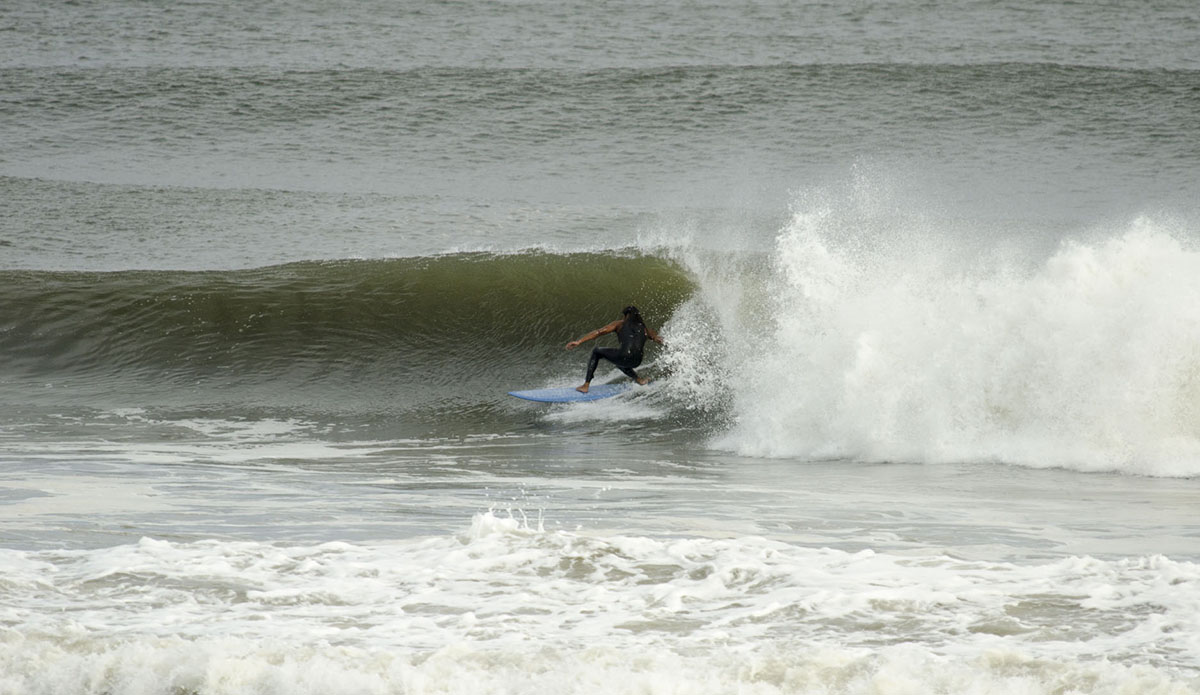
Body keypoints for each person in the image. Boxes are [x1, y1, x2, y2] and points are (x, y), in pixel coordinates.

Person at [565, 305, 665, 393]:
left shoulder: (620, 324)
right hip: (637, 361)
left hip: (624, 356)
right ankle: (639, 380)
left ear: (626, 315)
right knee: (619, 362)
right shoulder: (645, 328)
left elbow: (599, 332)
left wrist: (579, 341)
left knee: (597, 351)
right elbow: (659, 339)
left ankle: (585, 385)